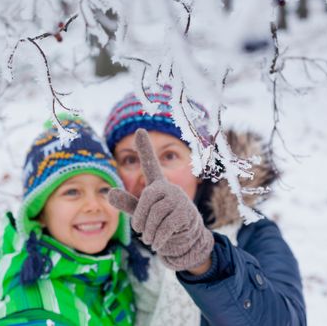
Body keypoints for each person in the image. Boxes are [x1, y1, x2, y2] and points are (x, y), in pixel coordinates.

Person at [103, 87, 306, 325]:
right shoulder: (107, 243)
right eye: (130, 159)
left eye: (169, 156)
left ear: (200, 167)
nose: (149, 175)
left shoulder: (253, 233)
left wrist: (204, 259)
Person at [0, 115, 149, 326]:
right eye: (72, 192)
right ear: (39, 213)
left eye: (104, 190)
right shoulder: (35, 313)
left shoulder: (116, 274)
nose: (93, 205)